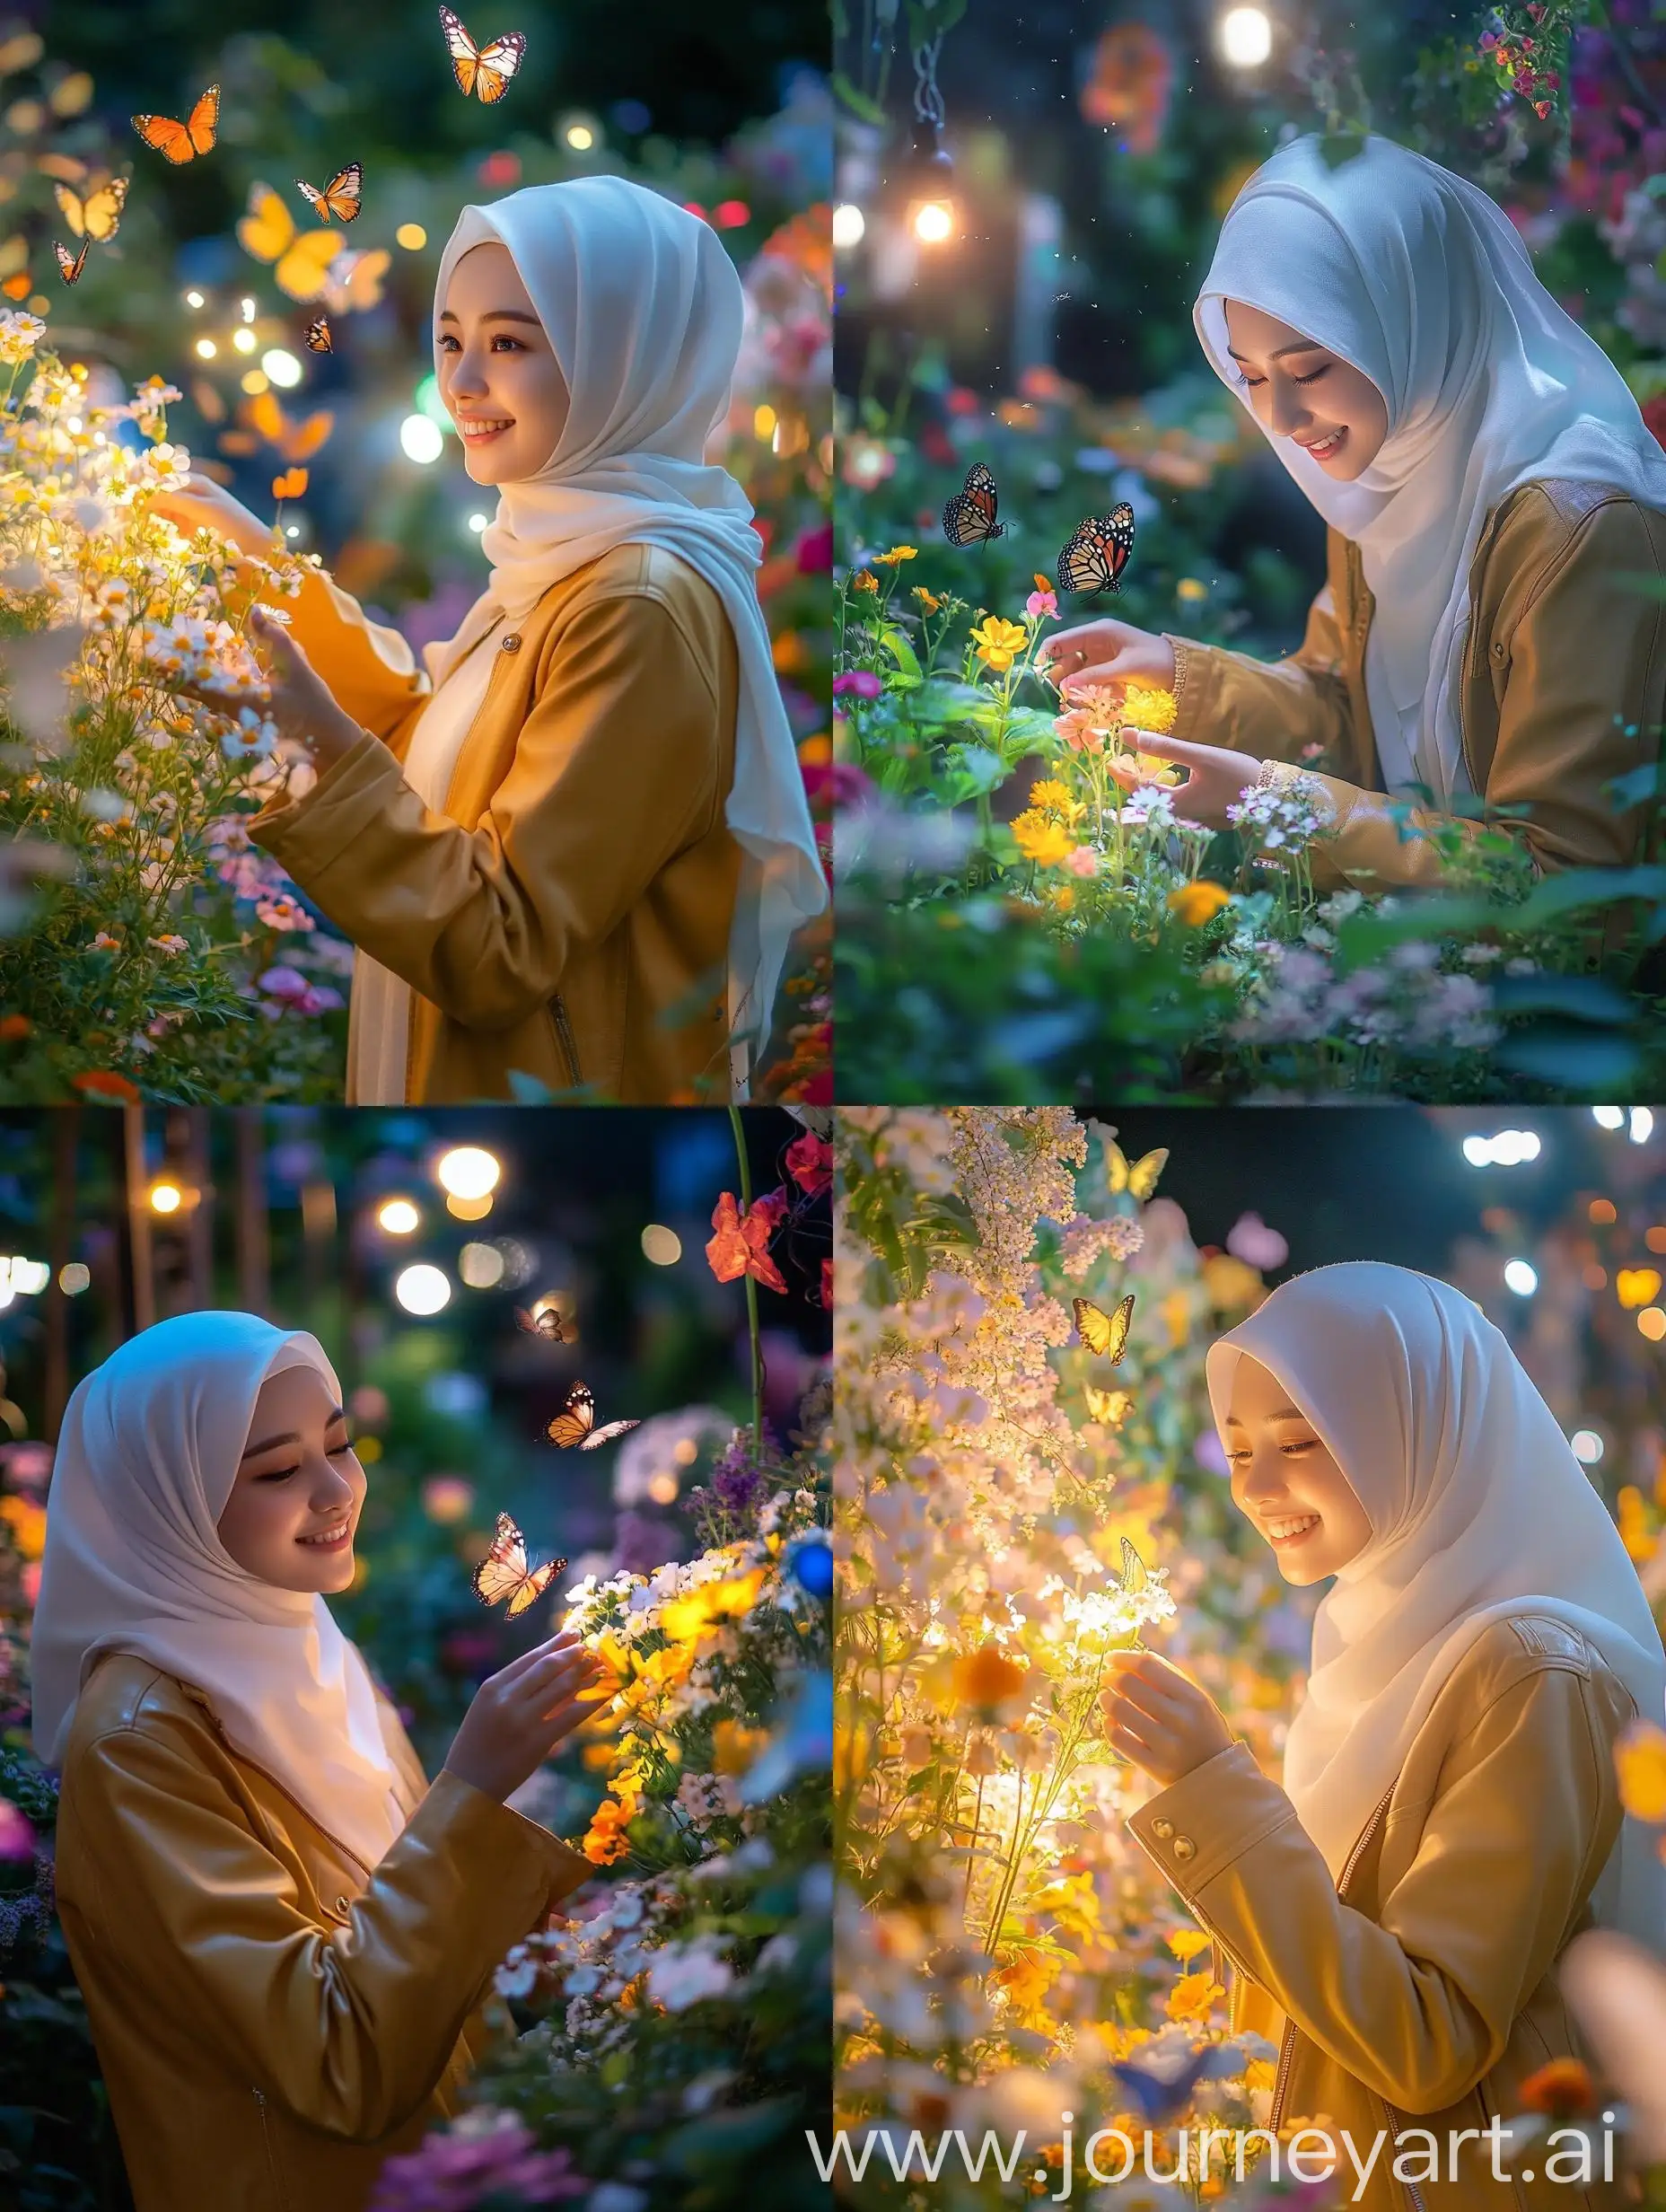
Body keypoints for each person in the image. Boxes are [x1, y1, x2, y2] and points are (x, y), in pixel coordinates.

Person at [154, 175, 825, 1104]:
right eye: (450, 340)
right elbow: (440, 747)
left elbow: (499, 944)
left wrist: (314, 739)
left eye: (509, 341)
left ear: (620, 355)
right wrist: (259, 572)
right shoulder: (567, 557)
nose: (462, 383)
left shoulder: (634, 603)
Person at [1101, 1262, 1662, 2211]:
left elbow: (1424, 2043)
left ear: (1418, 1430)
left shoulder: (1531, 1676)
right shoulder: (1377, 1645)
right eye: (1237, 1452)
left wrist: (1208, 1787)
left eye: (1300, 1440)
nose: (1258, 1487)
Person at [31, 1311, 608, 2212]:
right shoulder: (140, 1742)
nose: (336, 1490)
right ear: (168, 1501)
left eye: (339, 1445)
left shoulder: (298, 1646)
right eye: (275, 1469)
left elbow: (414, 1944)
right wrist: (472, 1787)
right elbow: (338, 2062)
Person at [1040, 136, 1666, 897]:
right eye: (1252, 377)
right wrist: (1177, 680)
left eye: (1311, 368)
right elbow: (1345, 709)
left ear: (1411, 311)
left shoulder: (1578, 531)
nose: (1284, 416)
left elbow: (1569, 892)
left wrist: (1286, 806)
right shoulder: (1392, 472)